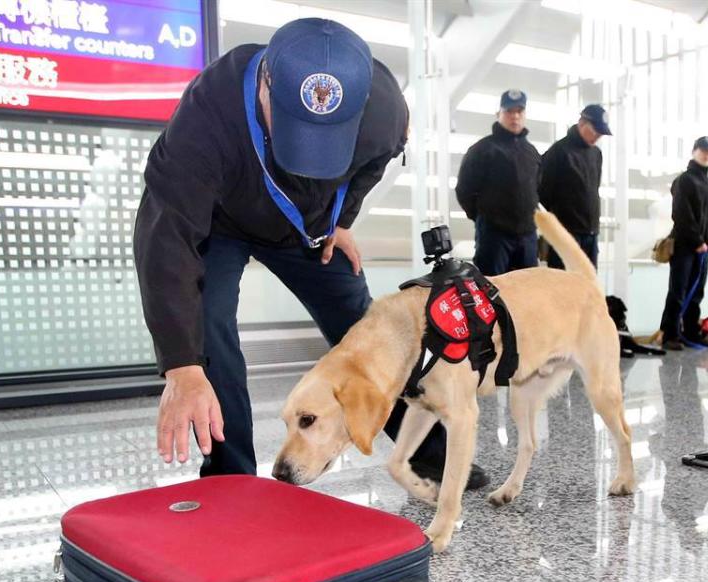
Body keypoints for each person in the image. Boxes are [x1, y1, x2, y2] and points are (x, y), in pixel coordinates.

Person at [133, 18, 488, 489]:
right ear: (265, 87)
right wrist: (181, 365)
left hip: (309, 227)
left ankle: (425, 452)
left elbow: (372, 165)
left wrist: (341, 222)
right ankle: (229, 478)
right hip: (220, 225)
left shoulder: (382, 109)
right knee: (208, 339)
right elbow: (167, 239)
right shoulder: (206, 117)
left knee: (369, 330)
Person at [455, 89, 541, 275]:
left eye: (520, 111)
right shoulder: (482, 150)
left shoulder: (532, 152)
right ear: (498, 114)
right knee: (491, 291)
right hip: (494, 236)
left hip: (527, 235)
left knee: (529, 292)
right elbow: (464, 190)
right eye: (509, 111)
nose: (515, 116)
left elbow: (537, 189)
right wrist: (483, 218)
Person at [658, 136, 708, 351]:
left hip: (704, 248)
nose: (707, 154)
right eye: (703, 150)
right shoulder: (684, 180)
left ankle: (691, 331)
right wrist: (696, 241)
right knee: (679, 291)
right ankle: (670, 334)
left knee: (697, 292)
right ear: (694, 151)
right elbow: (681, 214)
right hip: (686, 246)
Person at [538, 104, 611, 270]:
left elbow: (593, 189)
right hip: (566, 233)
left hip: (590, 231)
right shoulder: (559, 151)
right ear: (582, 123)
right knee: (563, 285)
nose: (598, 136)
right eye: (595, 130)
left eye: (601, 133)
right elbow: (543, 192)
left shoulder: (596, 154)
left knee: (588, 285)